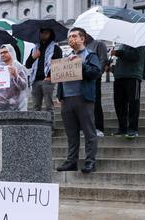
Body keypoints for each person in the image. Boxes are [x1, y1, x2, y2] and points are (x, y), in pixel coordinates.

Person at [56, 27, 101, 174]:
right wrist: (60, 95)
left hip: (83, 98)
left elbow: (95, 72)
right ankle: (71, 161)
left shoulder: (90, 55)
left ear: (83, 39)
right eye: (69, 37)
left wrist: (80, 63)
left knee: (89, 132)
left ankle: (90, 162)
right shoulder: (67, 57)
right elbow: (61, 78)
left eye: (74, 36)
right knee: (71, 133)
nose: (71, 39)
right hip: (67, 99)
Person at [25, 28, 63, 127]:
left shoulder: (55, 48)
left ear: (51, 33)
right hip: (35, 80)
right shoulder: (35, 49)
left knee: (49, 106)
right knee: (35, 107)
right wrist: (33, 57)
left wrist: (51, 76)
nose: (44, 33)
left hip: (48, 80)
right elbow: (27, 65)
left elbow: (58, 64)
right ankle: (37, 128)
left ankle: (50, 128)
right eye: (42, 31)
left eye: (47, 32)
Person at [111, 44, 145, 139]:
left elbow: (135, 57)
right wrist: (112, 68)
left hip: (133, 76)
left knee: (133, 103)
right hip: (119, 76)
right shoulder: (122, 45)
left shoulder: (140, 43)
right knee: (119, 104)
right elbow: (122, 60)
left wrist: (119, 53)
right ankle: (122, 128)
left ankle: (133, 129)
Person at [87, 38, 108, 137]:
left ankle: (98, 127)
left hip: (94, 78)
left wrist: (97, 73)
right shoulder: (80, 47)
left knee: (96, 102)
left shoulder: (99, 44)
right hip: (84, 79)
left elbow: (103, 59)